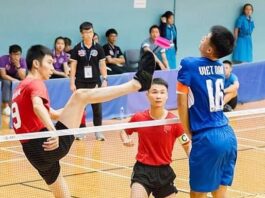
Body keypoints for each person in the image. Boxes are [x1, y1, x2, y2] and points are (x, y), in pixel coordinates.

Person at [12, 44, 156, 198]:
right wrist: (53, 131)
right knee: (80, 95)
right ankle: (136, 84)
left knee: (62, 194)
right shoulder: (35, 83)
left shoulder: (20, 88)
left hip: (33, 153)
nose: (52, 67)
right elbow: (38, 107)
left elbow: (53, 114)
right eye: (49, 62)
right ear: (36, 64)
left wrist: (77, 109)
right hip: (46, 144)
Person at [177, 26, 237, 198]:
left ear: (210, 49)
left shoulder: (188, 64)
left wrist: (188, 131)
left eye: (206, 37)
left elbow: (181, 102)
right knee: (219, 193)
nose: (203, 37)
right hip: (228, 135)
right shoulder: (219, 66)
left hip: (207, 137)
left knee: (197, 194)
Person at [120, 78, 191, 198]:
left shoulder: (174, 121)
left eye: (162, 92)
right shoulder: (139, 118)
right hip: (142, 171)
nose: (158, 96)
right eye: (154, 92)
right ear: (147, 95)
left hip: (164, 172)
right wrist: (125, 139)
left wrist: (197, 164)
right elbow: (124, 130)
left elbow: (187, 146)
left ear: (167, 96)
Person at [70, 22, 107, 141]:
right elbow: (73, 66)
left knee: (97, 108)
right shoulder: (76, 48)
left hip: (95, 81)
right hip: (80, 82)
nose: (88, 34)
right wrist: (72, 82)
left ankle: (98, 132)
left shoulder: (99, 48)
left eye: (90, 32)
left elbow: (102, 64)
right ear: (81, 34)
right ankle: (81, 131)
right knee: (81, 108)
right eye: (86, 32)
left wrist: (105, 79)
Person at [0, 44, 27, 116]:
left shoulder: (22, 61)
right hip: (6, 77)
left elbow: (23, 77)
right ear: (10, 54)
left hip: (17, 76)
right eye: (14, 54)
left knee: (24, 83)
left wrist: (18, 66)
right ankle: (6, 107)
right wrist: (15, 80)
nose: (16, 57)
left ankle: (19, 105)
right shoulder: (3, 59)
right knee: (7, 82)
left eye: (18, 54)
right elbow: (3, 75)